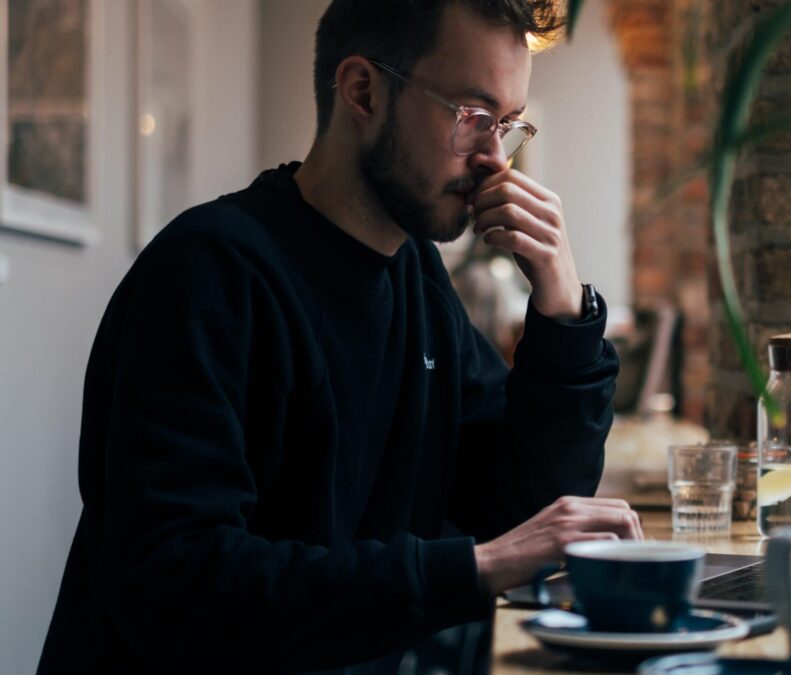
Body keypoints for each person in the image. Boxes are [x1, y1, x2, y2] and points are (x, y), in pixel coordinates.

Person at [37, 1, 642, 672]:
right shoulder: (207, 273)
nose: (495, 159)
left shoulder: (416, 280)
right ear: (363, 90)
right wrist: (469, 569)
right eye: (472, 116)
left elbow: (521, 506)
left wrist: (562, 307)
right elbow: (179, 584)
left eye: (506, 123)